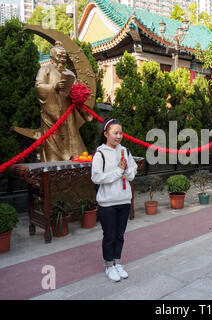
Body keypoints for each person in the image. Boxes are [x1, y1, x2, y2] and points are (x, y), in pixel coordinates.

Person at [91, 118, 138, 282]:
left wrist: (127, 172)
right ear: (106, 134)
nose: (119, 136)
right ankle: (108, 266)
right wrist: (119, 171)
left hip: (124, 200)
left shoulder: (125, 150)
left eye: (120, 133)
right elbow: (96, 177)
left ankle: (117, 263)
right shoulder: (100, 153)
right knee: (109, 235)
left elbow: (132, 169)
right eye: (115, 133)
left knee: (120, 235)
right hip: (108, 203)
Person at [35, 41, 92, 161]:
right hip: (51, 114)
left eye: (64, 57)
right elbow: (39, 86)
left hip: (68, 114)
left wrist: (78, 94)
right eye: (59, 56)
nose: (62, 59)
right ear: (52, 57)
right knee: (53, 141)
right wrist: (54, 86)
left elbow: (76, 94)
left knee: (73, 140)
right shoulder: (45, 70)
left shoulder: (70, 73)